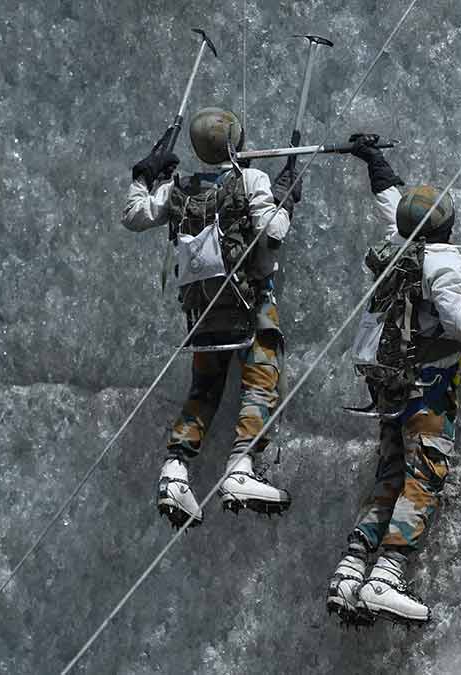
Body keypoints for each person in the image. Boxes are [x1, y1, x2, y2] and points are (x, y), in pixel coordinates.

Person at [326, 135, 461, 626]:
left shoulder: (397, 244)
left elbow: (392, 202)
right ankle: (385, 577)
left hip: (387, 383)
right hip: (427, 387)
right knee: (424, 474)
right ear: (447, 226)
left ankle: (349, 574)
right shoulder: (444, 260)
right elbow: (460, 324)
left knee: (389, 474)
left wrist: (375, 162)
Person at [121, 107, 302, 527]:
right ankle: (240, 467)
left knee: (204, 388)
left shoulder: (178, 188)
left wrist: (142, 176)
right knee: (261, 380)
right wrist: (284, 198)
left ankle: (174, 470)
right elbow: (272, 232)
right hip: (250, 303)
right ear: (236, 142)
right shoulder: (251, 180)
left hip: (203, 310)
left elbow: (133, 216)